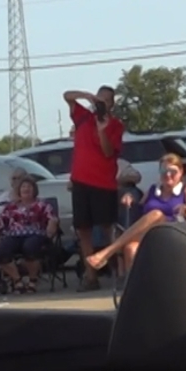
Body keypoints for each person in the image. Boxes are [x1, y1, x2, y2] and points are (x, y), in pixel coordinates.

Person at [83, 153, 186, 278]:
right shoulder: (153, 190)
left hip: (173, 234)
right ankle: (135, 291)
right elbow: (139, 208)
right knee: (131, 249)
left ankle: (108, 251)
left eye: (172, 171)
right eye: (164, 170)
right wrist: (130, 198)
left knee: (156, 214)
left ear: (181, 172)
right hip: (149, 236)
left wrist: (185, 209)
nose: (168, 174)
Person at [64, 86, 124, 290]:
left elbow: (108, 152)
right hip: (81, 182)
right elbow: (67, 96)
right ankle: (91, 277)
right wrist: (87, 96)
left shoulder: (115, 125)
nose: (102, 103)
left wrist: (102, 130)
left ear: (112, 104)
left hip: (103, 183)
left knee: (109, 229)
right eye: (100, 99)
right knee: (84, 231)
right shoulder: (83, 117)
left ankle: (120, 272)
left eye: (106, 101)